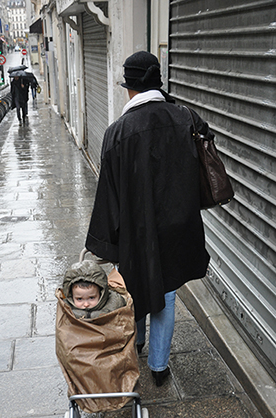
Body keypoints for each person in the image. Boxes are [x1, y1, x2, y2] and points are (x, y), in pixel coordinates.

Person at [85, 51, 212, 386]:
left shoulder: (118, 131)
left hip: (135, 229)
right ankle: (159, 367)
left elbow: (108, 193)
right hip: (177, 225)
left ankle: (137, 344)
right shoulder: (185, 116)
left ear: (130, 88)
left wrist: (106, 243)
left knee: (135, 285)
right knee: (167, 292)